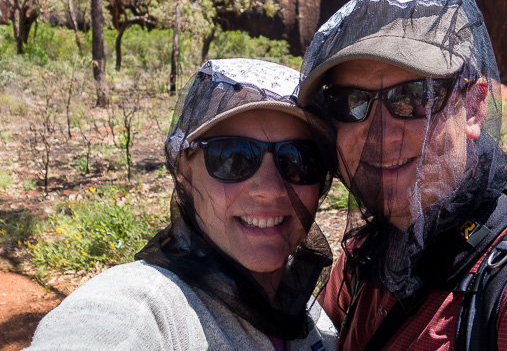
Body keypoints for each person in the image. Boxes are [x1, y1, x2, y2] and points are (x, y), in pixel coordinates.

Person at [298, 0, 507, 350]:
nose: (380, 135)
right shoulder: (370, 255)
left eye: (414, 97)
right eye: (351, 102)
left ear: (473, 107)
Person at [28, 58, 338, 350]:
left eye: (299, 159)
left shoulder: (314, 320)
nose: (270, 190)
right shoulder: (148, 309)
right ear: (185, 170)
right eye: (233, 158)